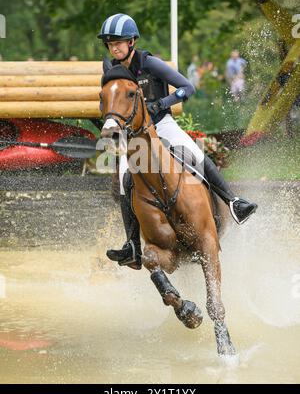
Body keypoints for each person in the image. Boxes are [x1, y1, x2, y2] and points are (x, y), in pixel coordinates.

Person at [97, 14, 257, 268]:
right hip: (136, 136)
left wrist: (162, 103)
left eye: (119, 42)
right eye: (110, 43)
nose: (114, 47)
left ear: (132, 41)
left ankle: (233, 202)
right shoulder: (114, 74)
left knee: (196, 155)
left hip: (162, 124)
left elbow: (187, 87)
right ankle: (133, 246)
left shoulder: (149, 63)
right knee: (125, 179)